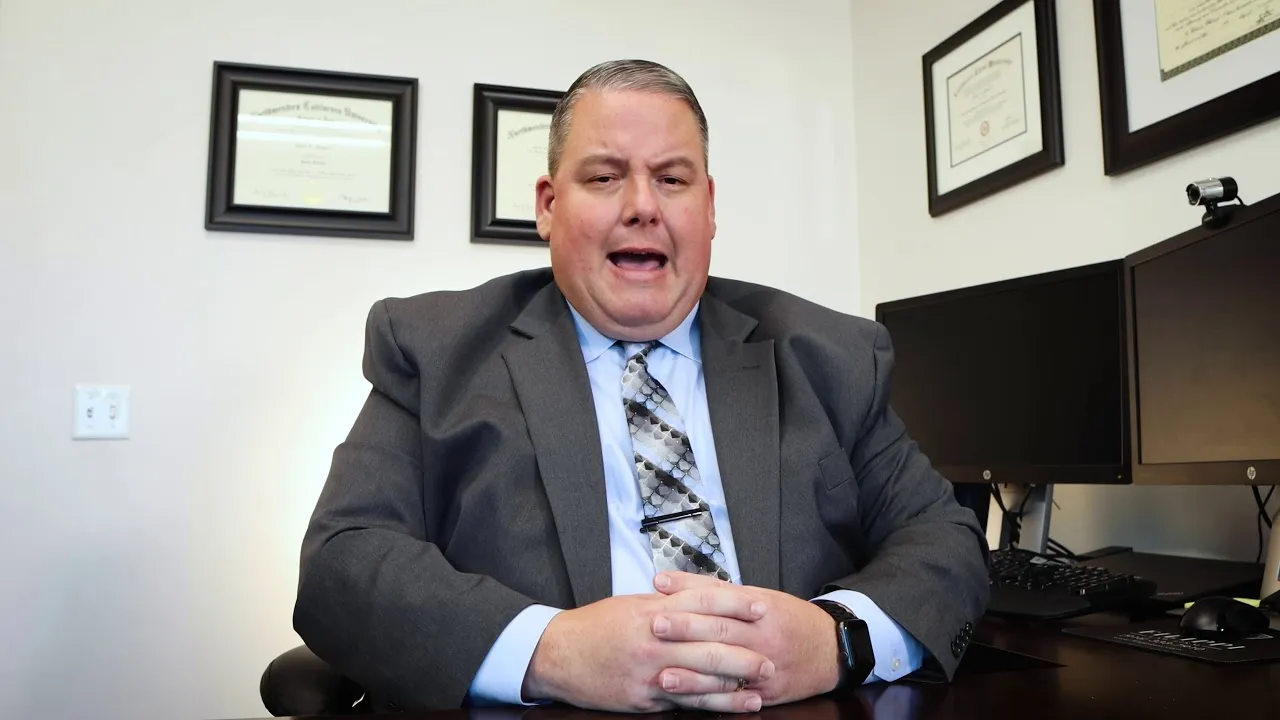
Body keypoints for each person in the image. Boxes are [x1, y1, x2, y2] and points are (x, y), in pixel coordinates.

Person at [293, 59, 989, 715]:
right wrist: (548, 651)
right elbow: (343, 562)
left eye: (673, 179)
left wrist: (837, 639)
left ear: (709, 207)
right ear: (547, 204)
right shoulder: (434, 347)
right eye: (603, 177)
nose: (641, 206)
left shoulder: (829, 356)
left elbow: (944, 541)